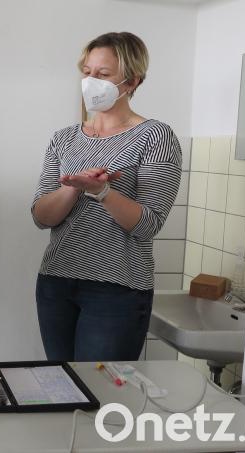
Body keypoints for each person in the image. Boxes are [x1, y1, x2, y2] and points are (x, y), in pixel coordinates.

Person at [31, 32, 182, 362]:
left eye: (103, 74)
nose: (90, 82)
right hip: (56, 282)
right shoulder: (64, 139)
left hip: (117, 290)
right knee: (62, 384)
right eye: (87, 72)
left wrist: (102, 192)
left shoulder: (155, 136)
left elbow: (149, 224)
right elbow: (41, 217)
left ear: (132, 81)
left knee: (100, 389)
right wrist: (73, 187)